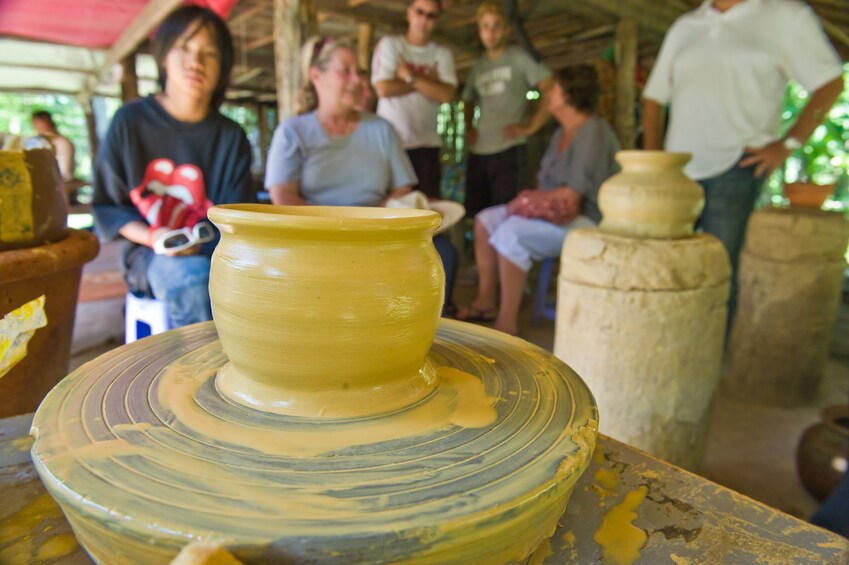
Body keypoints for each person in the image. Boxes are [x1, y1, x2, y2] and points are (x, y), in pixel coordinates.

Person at [642, 0, 844, 326]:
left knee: (721, 272)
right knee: (666, 264)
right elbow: (653, 98)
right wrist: (654, 165)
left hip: (737, 165)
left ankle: (710, 359)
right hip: (676, 174)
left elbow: (830, 83)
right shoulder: (686, 25)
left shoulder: (786, 16)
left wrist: (787, 144)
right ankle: (665, 339)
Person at [266, 37, 459, 316]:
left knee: (443, 252)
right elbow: (283, 197)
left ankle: (422, 338)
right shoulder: (293, 132)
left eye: (360, 71)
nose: (357, 79)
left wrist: (373, 218)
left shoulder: (382, 129)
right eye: (346, 70)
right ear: (316, 76)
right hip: (316, 237)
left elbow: (403, 187)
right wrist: (340, 227)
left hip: (376, 234)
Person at [92, 5, 254, 329]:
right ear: (164, 55)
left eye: (209, 53)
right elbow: (109, 208)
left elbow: (239, 220)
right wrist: (156, 238)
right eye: (184, 47)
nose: (196, 61)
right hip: (149, 253)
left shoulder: (231, 137)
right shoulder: (130, 122)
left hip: (216, 253)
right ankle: (199, 376)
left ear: (222, 67)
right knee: (193, 280)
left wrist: (202, 245)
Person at [456, 65, 620, 336]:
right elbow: (547, 184)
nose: (547, 94)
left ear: (568, 94)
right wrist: (531, 203)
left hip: (587, 220)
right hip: (556, 213)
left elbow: (573, 193)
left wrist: (528, 201)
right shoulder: (560, 132)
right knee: (486, 220)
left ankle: (506, 324)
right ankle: (485, 302)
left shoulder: (593, 131)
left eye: (553, 88)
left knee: (511, 233)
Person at [461, 1, 553, 217]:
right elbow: (467, 100)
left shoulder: (519, 58)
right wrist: (468, 126)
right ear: (479, 30)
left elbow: (550, 89)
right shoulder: (477, 67)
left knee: (506, 214)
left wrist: (530, 128)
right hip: (479, 151)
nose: (490, 32)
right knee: (478, 216)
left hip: (509, 149)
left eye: (496, 26)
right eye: (485, 26)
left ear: (507, 29)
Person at [371, 0, 457, 199]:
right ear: (409, 13)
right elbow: (383, 89)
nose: (424, 19)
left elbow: (446, 95)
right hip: (392, 144)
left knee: (427, 208)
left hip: (427, 145)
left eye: (431, 15)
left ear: (436, 20)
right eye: (420, 12)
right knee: (392, 209)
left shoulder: (442, 54)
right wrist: (428, 82)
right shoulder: (390, 45)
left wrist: (408, 77)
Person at [31, 110, 80, 198]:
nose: (38, 128)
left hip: (60, 184)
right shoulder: (36, 142)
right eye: (36, 124)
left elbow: (65, 172)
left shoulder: (63, 143)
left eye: (41, 124)